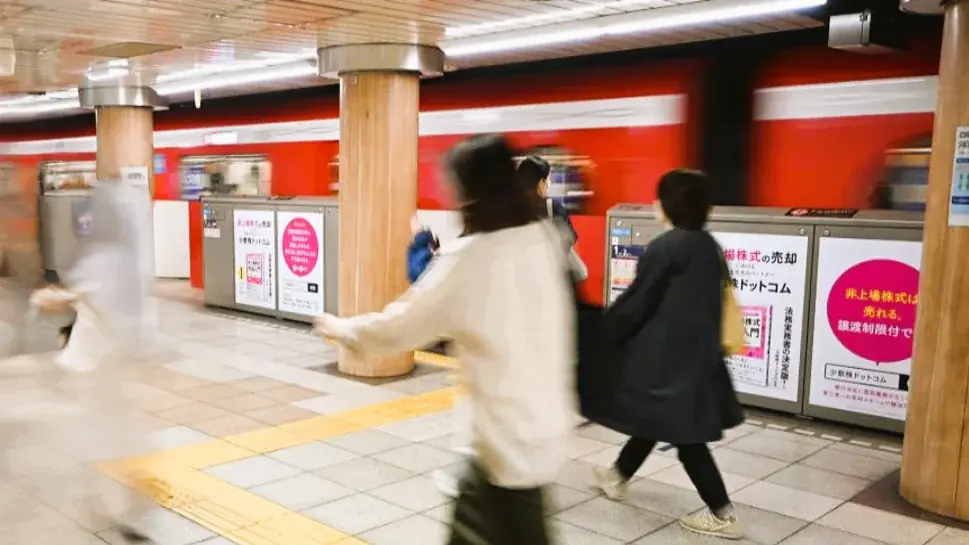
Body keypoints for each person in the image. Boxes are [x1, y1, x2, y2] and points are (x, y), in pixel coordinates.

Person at [316, 134, 575, 545]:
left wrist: (343, 329)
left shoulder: (470, 258)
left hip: (498, 450)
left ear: (468, 191)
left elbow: (402, 326)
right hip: (544, 437)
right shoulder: (544, 239)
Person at [592, 169, 745, 540]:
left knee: (686, 438)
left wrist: (601, 334)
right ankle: (617, 475)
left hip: (670, 361)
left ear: (670, 204)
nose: (654, 203)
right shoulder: (708, 245)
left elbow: (636, 303)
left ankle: (723, 514)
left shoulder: (667, 247)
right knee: (656, 419)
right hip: (698, 357)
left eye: (659, 197)